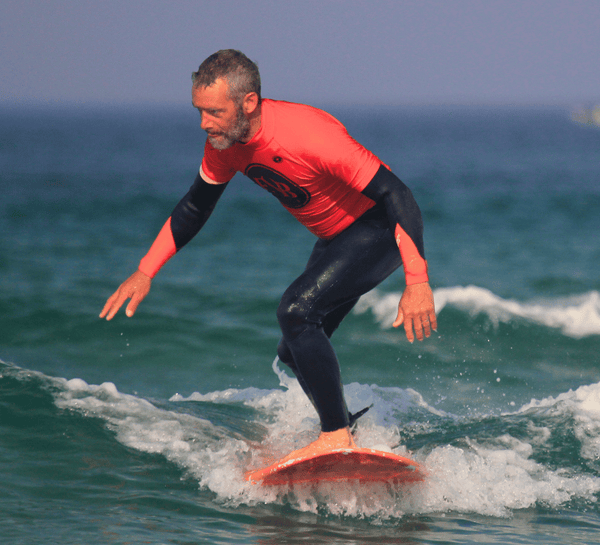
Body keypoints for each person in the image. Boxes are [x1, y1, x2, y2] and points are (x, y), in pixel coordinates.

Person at [100, 49, 437, 460]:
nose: (204, 123)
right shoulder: (224, 145)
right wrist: (145, 271)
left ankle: (334, 434)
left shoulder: (308, 133)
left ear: (248, 103)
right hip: (335, 239)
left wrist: (417, 281)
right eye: (199, 111)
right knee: (292, 350)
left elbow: (397, 194)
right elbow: (195, 206)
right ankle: (346, 428)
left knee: (296, 312)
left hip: (379, 230)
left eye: (214, 112)